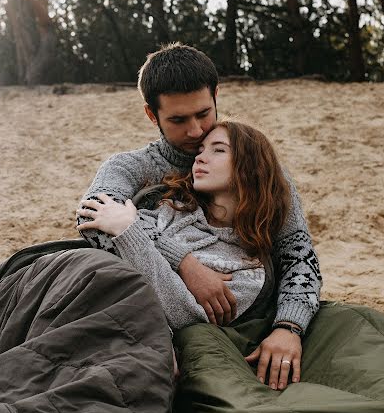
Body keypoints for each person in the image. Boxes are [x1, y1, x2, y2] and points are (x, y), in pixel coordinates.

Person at [77, 43, 321, 391]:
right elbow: (94, 220)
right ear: (152, 115)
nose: (195, 131)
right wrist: (185, 264)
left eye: (204, 113)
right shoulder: (129, 167)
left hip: (236, 311)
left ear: (216, 95)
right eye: (178, 119)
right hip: (136, 301)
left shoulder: (260, 170)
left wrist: (289, 327)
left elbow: (298, 255)